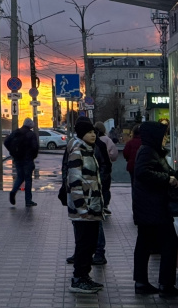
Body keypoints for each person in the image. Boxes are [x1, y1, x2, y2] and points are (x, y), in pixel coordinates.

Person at [131, 121, 178, 298]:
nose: (165, 138)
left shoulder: (153, 151)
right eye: (164, 135)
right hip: (152, 208)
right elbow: (143, 172)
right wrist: (168, 179)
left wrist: (172, 175)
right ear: (155, 136)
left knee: (144, 244)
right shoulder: (147, 151)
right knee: (170, 243)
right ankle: (165, 284)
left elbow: (166, 171)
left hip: (149, 207)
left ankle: (142, 282)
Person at [66, 117, 105, 294]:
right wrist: (81, 207)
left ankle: (85, 276)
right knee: (83, 245)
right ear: (82, 134)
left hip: (93, 206)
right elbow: (74, 181)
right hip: (85, 209)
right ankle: (78, 279)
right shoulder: (77, 151)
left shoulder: (89, 151)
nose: (93, 135)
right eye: (89, 132)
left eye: (93, 132)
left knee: (90, 245)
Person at [5, 118, 40, 207]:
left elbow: (6, 142)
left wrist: (12, 152)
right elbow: (35, 147)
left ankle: (13, 191)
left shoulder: (16, 132)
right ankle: (28, 201)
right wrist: (33, 156)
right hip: (27, 160)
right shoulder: (31, 134)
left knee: (20, 177)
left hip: (17, 159)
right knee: (28, 179)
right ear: (30, 126)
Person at [94, 122, 118, 214]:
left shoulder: (93, 140)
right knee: (105, 188)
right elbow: (114, 154)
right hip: (105, 167)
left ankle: (97, 205)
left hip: (96, 168)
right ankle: (105, 205)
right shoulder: (107, 140)